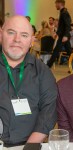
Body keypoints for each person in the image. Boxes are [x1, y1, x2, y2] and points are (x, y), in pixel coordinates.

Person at [0, 15, 57, 147]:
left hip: (30, 144)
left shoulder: (43, 72)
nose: (17, 40)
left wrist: (31, 146)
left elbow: (49, 111)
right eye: (11, 32)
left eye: (24, 35)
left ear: (32, 41)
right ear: (1, 34)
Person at [47, 0, 72, 68]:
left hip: (64, 36)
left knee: (56, 51)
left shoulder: (64, 13)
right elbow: (62, 26)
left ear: (59, 3)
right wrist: (57, 34)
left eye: (56, 4)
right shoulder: (62, 12)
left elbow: (67, 25)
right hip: (62, 35)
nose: (55, 6)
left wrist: (66, 35)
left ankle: (48, 66)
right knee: (69, 52)